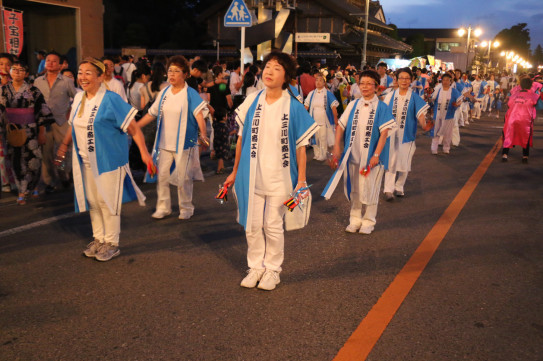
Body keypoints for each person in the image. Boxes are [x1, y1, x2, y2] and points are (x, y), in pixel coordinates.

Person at [224, 51, 318, 291]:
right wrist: (234, 172)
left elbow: (300, 148)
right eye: (267, 66)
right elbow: (242, 140)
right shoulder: (252, 100)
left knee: (273, 224)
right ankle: (255, 267)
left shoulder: (293, 107)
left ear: (286, 76)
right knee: (252, 224)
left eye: (277, 68)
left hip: (281, 177)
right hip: (251, 175)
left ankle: (272, 270)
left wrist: (302, 180)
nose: (269, 71)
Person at [55, 58, 151, 261]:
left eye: (88, 73)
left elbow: (133, 128)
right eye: (80, 72)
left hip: (109, 160)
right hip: (85, 160)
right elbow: (73, 125)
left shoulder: (111, 99)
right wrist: (64, 145)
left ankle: (112, 243)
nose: (82, 77)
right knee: (94, 201)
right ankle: (99, 239)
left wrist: (144, 153)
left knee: (108, 202)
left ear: (100, 77)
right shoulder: (79, 98)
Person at [322, 70, 395, 235]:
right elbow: (340, 125)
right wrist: (337, 147)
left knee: (371, 189)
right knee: (355, 189)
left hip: (371, 160)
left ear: (376, 87)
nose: (365, 87)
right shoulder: (354, 104)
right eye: (362, 83)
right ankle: (354, 220)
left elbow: (384, 133)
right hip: (352, 157)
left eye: (370, 84)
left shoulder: (382, 107)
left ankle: (369, 221)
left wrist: (376, 155)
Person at [138, 55, 209, 221]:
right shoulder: (164, 93)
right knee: (162, 176)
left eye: (176, 71)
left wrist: (203, 135)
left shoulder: (189, 93)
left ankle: (186, 207)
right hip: (164, 143)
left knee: (183, 177)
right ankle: (163, 207)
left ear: (185, 74)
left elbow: (199, 115)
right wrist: (135, 126)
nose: (172, 74)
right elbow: (151, 113)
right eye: (170, 70)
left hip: (185, 143)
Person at [0, 61, 55, 204]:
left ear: (26, 73)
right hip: (11, 130)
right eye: (14, 69)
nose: (17, 72)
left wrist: (41, 132)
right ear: (10, 72)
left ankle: (34, 185)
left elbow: (42, 113)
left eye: (21, 69)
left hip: (31, 130)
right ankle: (21, 190)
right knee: (16, 160)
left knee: (33, 159)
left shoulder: (34, 91)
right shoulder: (3, 90)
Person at [33, 51, 77, 192]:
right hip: (44, 124)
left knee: (64, 152)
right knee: (46, 153)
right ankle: (49, 181)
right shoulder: (37, 81)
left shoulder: (66, 81)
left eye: (54, 61)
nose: (50, 63)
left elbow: (77, 98)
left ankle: (65, 175)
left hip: (62, 121)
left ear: (60, 65)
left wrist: (70, 112)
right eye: (48, 61)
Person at [382, 68, 428, 201]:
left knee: (404, 162)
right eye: (401, 78)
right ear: (396, 79)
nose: (404, 81)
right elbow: (382, 112)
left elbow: (420, 114)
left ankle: (399, 187)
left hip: (407, 136)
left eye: (407, 78)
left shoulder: (414, 97)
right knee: (390, 162)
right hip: (390, 135)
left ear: (411, 80)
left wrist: (424, 125)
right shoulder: (390, 95)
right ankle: (388, 189)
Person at [502, 77, 540, 163]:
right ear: (530, 85)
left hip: (512, 118)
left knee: (508, 135)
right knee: (525, 136)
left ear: (521, 85)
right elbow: (536, 103)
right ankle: (525, 156)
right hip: (525, 119)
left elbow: (509, 104)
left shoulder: (514, 95)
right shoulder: (533, 95)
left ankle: (505, 155)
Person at [304, 72, 339, 161]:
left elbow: (334, 108)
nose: (318, 82)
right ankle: (317, 153)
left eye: (320, 81)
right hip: (313, 118)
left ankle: (323, 154)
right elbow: (306, 106)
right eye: (316, 80)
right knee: (314, 138)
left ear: (324, 83)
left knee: (323, 137)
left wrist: (335, 119)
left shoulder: (328, 94)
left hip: (324, 119)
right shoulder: (311, 93)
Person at [430, 73, 461, 155]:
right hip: (437, 115)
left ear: (450, 81)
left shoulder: (454, 91)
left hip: (449, 115)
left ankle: (446, 148)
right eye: (444, 80)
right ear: (441, 81)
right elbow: (432, 101)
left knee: (448, 133)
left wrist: (457, 104)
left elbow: (459, 100)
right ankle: (434, 149)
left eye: (448, 80)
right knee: (436, 132)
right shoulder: (437, 90)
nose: (445, 82)